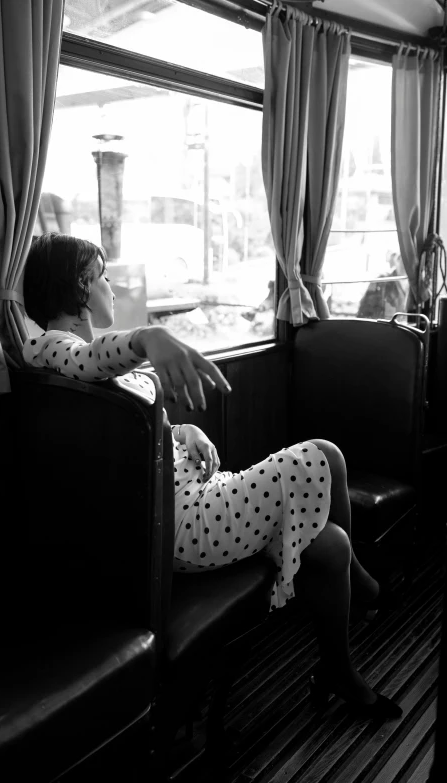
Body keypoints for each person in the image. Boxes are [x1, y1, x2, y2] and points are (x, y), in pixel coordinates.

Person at [22, 232, 402, 721]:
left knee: (329, 544)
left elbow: (125, 425)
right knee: (324, 455)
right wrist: (149, 337)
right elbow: (86, 362)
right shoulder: (53, 350)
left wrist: (181, 430)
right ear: (80, 288)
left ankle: (339, 667)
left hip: (199, 498)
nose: (113, 288)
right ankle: (367, 589)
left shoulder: (78, 365)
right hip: (190, 526)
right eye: (104, 278)